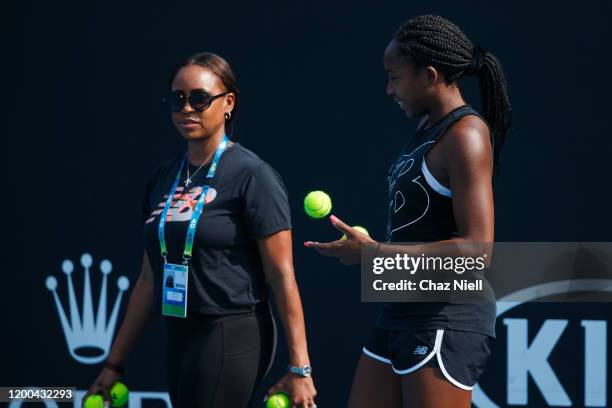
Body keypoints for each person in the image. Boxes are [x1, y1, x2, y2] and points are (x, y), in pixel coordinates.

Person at [85, 52, 317, 408]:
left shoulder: (253, 176)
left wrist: (300, 368)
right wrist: (114, 363)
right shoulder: (164, 176)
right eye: (177, 99)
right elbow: (148, 279)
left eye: (199, 98)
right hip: (180, 333)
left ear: (228, 103)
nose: (187, 109)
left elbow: (282, 276)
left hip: (232, 331)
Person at [305, 15, 511, 408]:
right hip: (402, 310)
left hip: (447, 318)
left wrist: (373, 254)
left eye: (394, 77)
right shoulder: (428, 130)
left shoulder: (465, 135)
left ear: (429, 75)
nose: (388, 89)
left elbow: (477, 249)